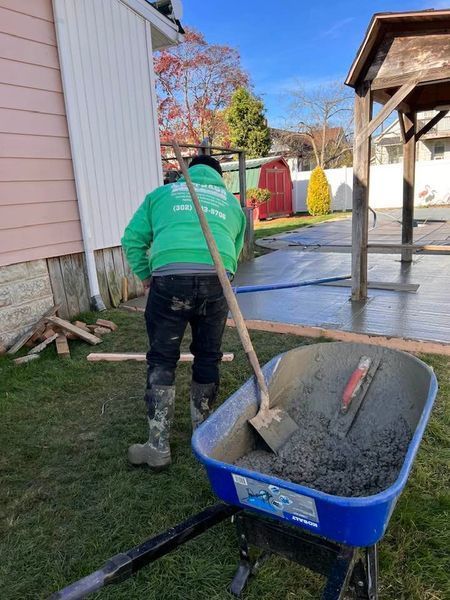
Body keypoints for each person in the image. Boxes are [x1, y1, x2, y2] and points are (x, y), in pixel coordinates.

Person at [121, 154, 246, 470]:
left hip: (170, 278)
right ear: (220, 178)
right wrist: (220, 281)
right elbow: (235, 251)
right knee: (208, 357)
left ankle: (158, 447)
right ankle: (204, 436)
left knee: (162, 358)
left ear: (187, 173)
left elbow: (131, 239)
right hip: (216, 280)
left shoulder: (162, 195)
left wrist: (146, 275)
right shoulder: (232, 205)